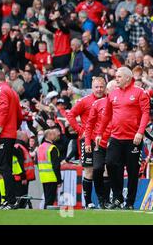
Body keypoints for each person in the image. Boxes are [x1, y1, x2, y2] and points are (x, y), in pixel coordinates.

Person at [95, 67, 151, 210]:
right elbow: (106, 115)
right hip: (116, 137)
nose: (116, 79)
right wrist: (100, 133)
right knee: (111, 163)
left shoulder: (140, 93)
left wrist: (140, 131)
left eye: (119, 76)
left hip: (133, 139)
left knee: (133, 170)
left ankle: (130, 202)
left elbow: (146, 113)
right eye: (116, 76)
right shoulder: (112, 94)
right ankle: (118, 197)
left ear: (127, 78)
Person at [66, 76, 106, 209]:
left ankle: (104, 200)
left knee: (104, 169)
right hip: (88, 139)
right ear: (92, 88)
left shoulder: (109, 100)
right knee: (89, 170)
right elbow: (70, 115)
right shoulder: (85, 101)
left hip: (104, 139)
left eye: (101, 87)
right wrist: (79, 130)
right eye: (96, 87)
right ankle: (88, 201)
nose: (99, 89)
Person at [84, 80, 117, 208]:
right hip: (99, 143)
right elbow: (89, 124)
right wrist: (87, 141)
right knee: (97, 169)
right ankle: (100, 197)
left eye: (117, 89)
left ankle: (107, 200)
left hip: (115, 142)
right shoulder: (98, 103)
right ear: (107, 91)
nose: (115, 92)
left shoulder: (122, 105)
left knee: (110, 169)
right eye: (113, 89)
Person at [0, 69, 23, 210]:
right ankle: (8, 200)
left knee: (3, 167)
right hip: (9, 133)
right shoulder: (12, 92)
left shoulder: (1, 91)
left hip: (2, 134)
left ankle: (11, 201)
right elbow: (19, 115)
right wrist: (13, 128)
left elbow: (4, 110)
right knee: (5, 168)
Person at [37, 128, 62, 209]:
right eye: (54, 134)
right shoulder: (52, 148)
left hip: (43, 177)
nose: (56, 135)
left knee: (47, 199)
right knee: (50, 200)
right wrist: (59, 180)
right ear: (49, 136)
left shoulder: (40, 147)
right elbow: (56, 166)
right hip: (52, 177)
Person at [12, 131, 35, 209]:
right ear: (21, 137)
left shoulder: (20, 146)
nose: (27, 138)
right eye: (26, 136)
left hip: (21, 177)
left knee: (22, 197)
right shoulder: (19, 147)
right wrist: (23, 177)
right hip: (20, 178)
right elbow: (20, 163)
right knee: (21, 197)